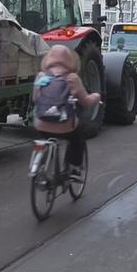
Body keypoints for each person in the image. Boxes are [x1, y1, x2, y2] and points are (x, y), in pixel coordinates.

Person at [33, 45, 100, 180]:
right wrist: (96, 96)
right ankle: (74, 168)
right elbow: (86, 102)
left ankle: (41, 166)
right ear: (70, 60)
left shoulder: (41, 76)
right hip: (65, 126)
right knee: (77, 137)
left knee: (44, 137)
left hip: (41, 124)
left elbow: (35, 99)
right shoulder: (72, 78)